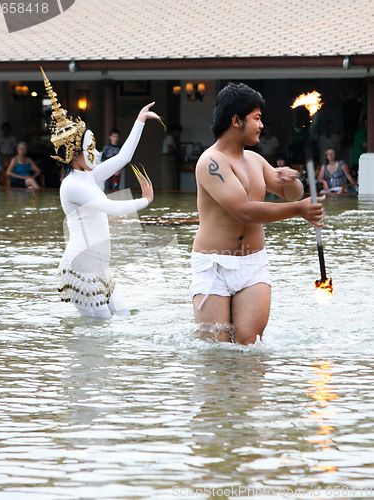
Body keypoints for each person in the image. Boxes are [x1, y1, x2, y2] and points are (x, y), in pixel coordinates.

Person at [189, 83, 324, 345]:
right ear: (236, 120)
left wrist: (289, 180)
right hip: (213, 264)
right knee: (216, 349)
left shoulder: (255, 160)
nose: (261, 125)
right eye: (257, 119)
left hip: (253, 264)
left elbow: (292, 193)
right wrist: (299, 210)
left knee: (250, 344)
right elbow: (244, 211)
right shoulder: (211, 162)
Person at [41, 67, 161, 319]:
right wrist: (145, 201)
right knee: (100, 334)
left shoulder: (88, 176)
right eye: (90, 147)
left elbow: (124, 156)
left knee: (123, 320)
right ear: (75, 154)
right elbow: (113, 208)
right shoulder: (72, 185)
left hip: (99, 268)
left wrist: (139, 120)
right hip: (81, 268)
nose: (95, 153)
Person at [160, 124, 182, 190]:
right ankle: (168, 192)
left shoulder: (170, 137)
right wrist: (179, 152)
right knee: (169, 178)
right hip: (168, 157)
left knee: (171, 176)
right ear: (175, 131)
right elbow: (170, 149)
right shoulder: (170, 138)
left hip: (168, 158)